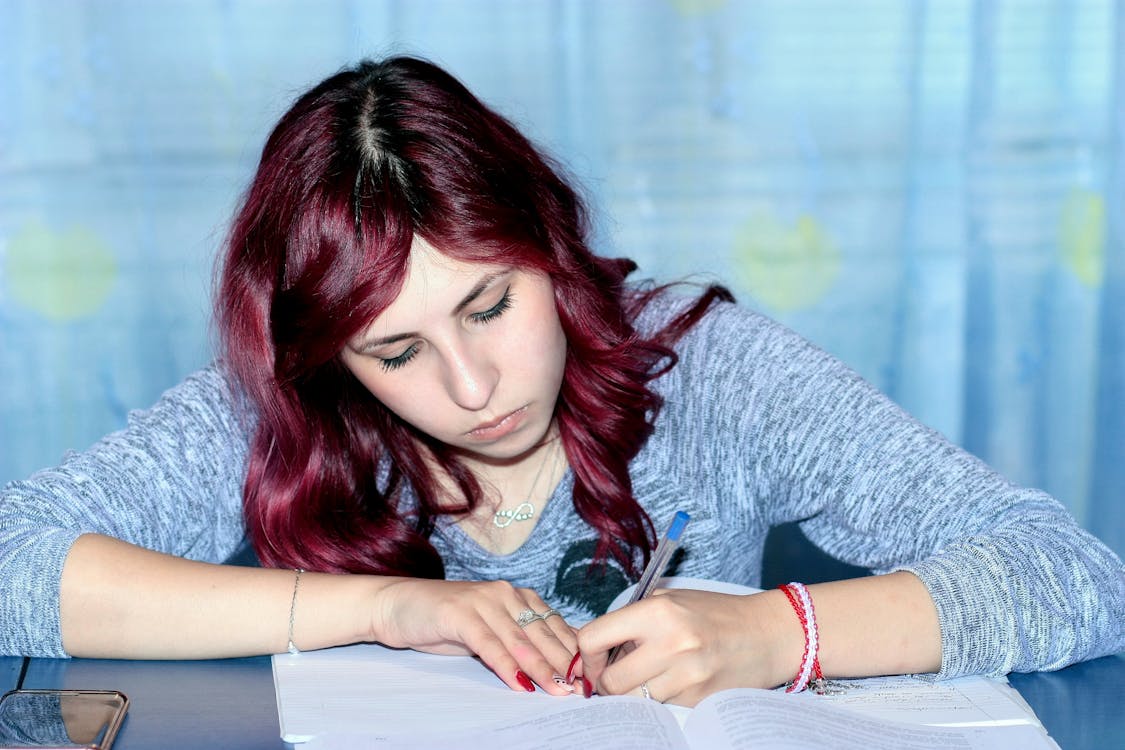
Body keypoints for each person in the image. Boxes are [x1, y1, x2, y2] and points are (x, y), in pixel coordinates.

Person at [1, 55, 1122, 708]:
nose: (472, 386)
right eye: (396, 353)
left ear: (549, 243)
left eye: (490, 305)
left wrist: (776, 635)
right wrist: (384, 607)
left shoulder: (709, 371)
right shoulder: (282, 405)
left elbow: (1073, 577)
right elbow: (14, 564)